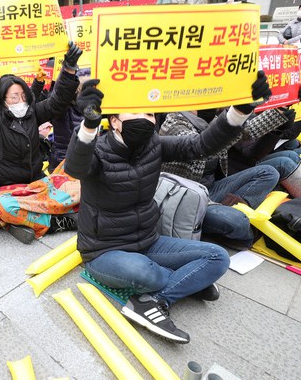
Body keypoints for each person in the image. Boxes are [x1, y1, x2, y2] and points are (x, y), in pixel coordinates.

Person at [64, 72, 271, 343]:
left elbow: (200, 146)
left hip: (149, 242)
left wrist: (240, 110)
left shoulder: (154, 146)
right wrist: (89, 126)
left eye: (150, 115)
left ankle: (153, 301)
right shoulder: (98, 152)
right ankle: (184, 281)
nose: (146, 119)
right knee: (144, 272)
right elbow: (75, 167)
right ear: (114, 121)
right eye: (136, 112)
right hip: (104, 252)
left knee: (217, 258)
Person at [0, 42, 82, 243]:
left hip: (36, 185)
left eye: (23, 96)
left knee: (75, 177)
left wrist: (69, 69)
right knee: (3, 206)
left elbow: (57, 102)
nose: (20, 100)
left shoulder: (33, 113)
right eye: (14, 97)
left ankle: (30, 220)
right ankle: (58, 221)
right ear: (2, 100)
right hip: (4, 191)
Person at [159, 98, 286, 248]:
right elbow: (203, 147)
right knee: (235, 221)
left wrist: (280, 109)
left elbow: (246, 131)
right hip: (188, 200)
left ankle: (228, 216)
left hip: (211, 190)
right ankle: (233, 225)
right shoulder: (174, 124)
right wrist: (234, 117)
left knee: (269, 172)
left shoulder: (209, 119)